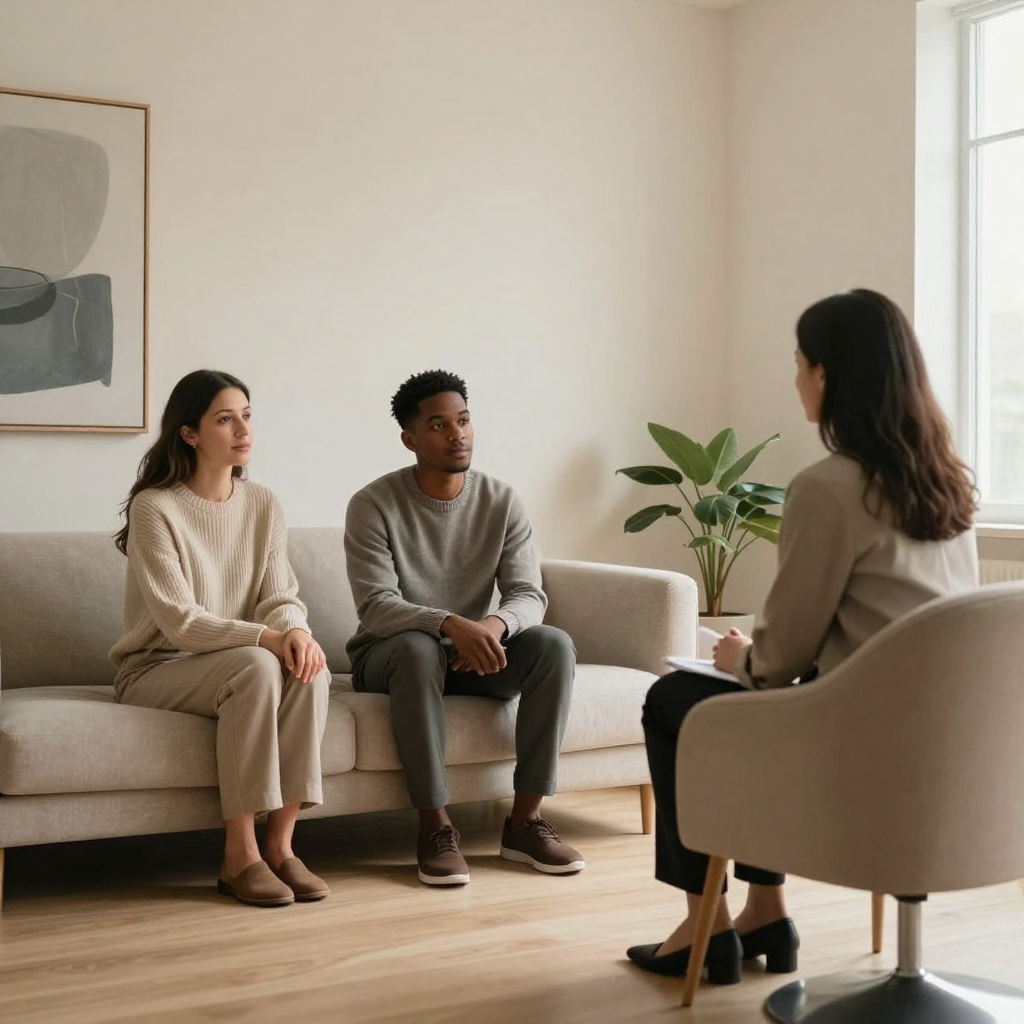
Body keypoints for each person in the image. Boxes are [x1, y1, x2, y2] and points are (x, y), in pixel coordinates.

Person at [627, 290, 979, 980]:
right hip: (951, 750)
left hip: (858, 752)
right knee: (760, 712)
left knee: (674, 702)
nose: (795, 379)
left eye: (798, 363)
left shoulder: (829, 488)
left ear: (826, 375)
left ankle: (706, 924)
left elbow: (779, 660)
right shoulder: (949, 487)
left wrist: (738, 655)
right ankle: (768, 910)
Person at [344, 369, 584, 886]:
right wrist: (452, 624)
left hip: (474, 654)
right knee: (416, 649)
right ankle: (434, 825)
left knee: (553, 646)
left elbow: (529, 594)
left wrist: (494, 625)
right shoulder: (372, 505)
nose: (457, 434)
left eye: (464, 420)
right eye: (438, 425)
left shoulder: (502, 500)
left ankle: (525, 820)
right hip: (391, 658)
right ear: (410, 438)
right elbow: (377, 607)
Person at [110, 369, 332, 908]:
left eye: (247, 416)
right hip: (157, 667)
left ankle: (280, 847)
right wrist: (266, 639)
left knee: (310, 665)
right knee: (257, 665)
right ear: (190, 432)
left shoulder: (263, 504)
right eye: (225, 418)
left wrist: (295, 632)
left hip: (233, 660)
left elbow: (280, 592)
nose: (242, 430)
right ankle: (240, 856)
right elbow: (180, 621)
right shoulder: (154, 507)